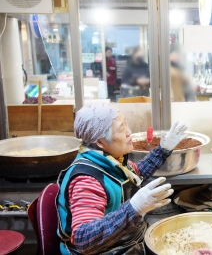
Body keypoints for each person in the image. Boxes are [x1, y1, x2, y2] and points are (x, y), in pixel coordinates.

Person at [57, 102, 187, 254]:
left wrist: (163, 149)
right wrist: (134, 208)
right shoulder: (88, 181)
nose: (129, 132)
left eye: (126, 124)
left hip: (124, 244)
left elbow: (136, 173)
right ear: (100, 142)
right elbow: (84, 239)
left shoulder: (110, 160)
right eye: (121, 128)